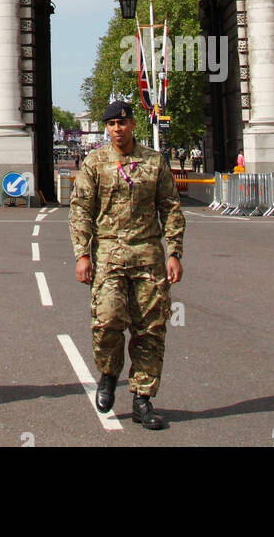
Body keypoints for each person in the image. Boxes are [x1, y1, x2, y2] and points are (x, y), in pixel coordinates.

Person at [69, 100, 184, 432]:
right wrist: (82, 254)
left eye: (123, 123)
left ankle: (143, 399)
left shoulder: (154, 162)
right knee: (106, 322)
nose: (117, 129)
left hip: (149, 256)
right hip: (108, 256)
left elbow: (170, 206)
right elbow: (80, 211)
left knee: (151, 329)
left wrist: (174, 251)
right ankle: (108, 373)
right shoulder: (94, 162)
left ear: (134, 124)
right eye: (111, 124)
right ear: (106, 128)